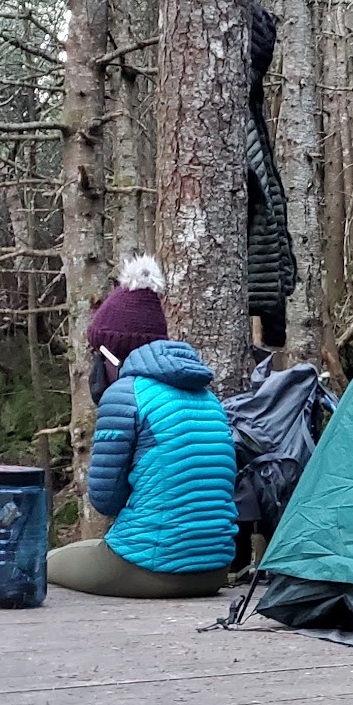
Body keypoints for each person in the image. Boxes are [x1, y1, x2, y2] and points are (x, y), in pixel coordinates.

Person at [46, 256, 237, 597]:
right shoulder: (207, 397)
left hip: (152, 567)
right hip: (215, 569)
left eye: (97, 353)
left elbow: (105, 500)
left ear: (112, 355)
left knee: (45, 563)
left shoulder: (125, 395)